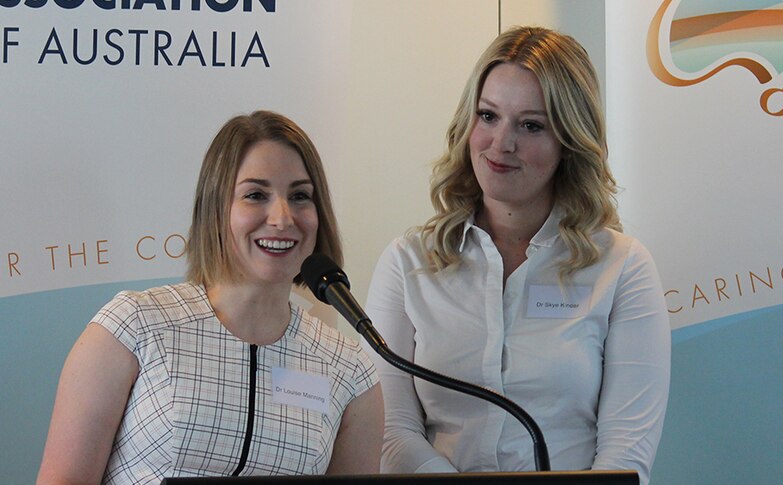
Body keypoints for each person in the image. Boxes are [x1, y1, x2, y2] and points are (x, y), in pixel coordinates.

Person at [365, 26, 670, 484]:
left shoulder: (622, 267)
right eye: (488, 116)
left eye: (530, 125)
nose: (501, 143)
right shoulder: (408, 263)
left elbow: (626, 456)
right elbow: (391, 432)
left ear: (570, 140)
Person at [37, 111, 383, 484]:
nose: (283, 218)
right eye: (255, 195)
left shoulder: (348, 371)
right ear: (216, 209)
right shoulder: (133, 326)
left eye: (300, 196)